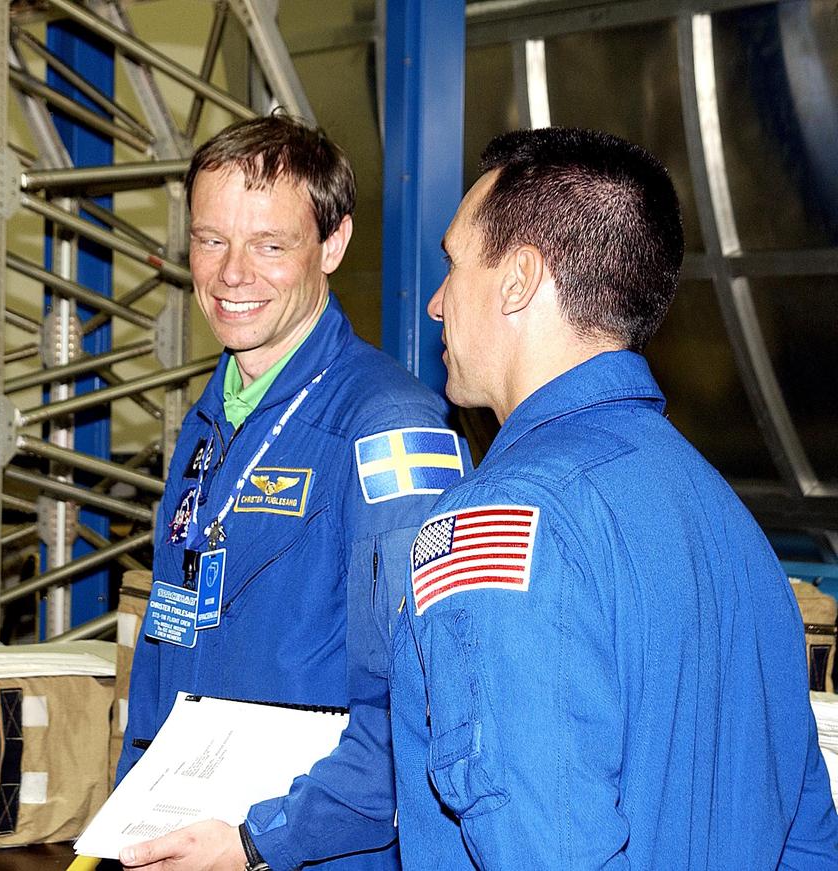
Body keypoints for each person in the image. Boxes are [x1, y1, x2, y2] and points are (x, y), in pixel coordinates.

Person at [390, 127, 838, 867]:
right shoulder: (730, 523)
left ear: (518, 278)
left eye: (453, 261)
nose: (436, 302)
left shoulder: (499, 521)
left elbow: (544, 848)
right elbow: (809, 841)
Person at [116, 115, 467, 871]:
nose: (232, 273)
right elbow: (167, 641)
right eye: (211, 240)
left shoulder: (388, 428)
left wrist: (257, 840)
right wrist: (130, 820)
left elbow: (420, 705)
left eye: (270, 244)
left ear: (332, 245)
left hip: (309, 851)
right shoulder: (210, 422)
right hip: (191, 840)